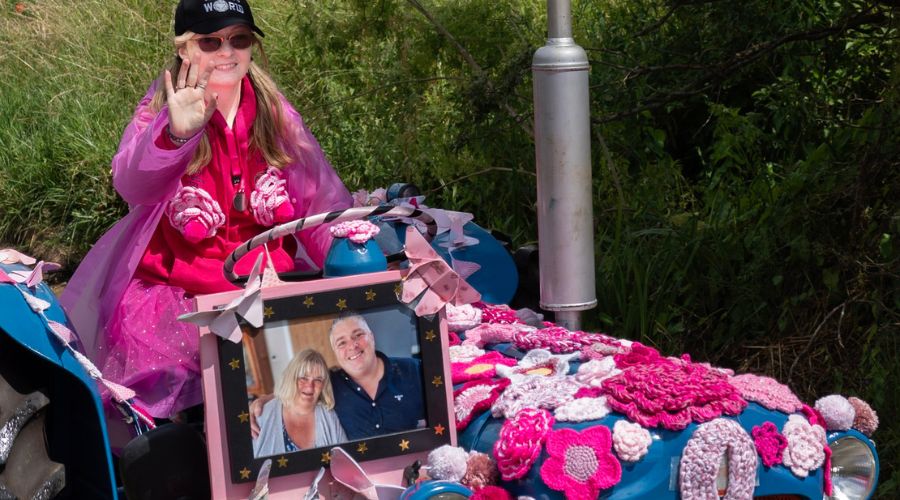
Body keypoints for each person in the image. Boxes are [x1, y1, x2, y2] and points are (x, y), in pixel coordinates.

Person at [60, 0, 351, 446]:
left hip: (265, 286)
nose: (226, 52)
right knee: (195, 412)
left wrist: (349, 250)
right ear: (184, 48)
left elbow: (319, 199)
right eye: (210, 41)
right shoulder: (162, 106)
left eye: (239, 39)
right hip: (183, 297)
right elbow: (131, 185)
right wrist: (177, 133)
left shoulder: (275, 112)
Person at [251, 313, 425, 440]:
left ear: (371, 336)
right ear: (335, 351)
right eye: (342, 342)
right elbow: (298, 390)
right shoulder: (329, 384)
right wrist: (264, 400)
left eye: (358, 335)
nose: (352, 346)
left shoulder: (413, 370)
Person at [253, 349, 347, 456]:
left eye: (318, 380)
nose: (310, 386)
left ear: (323, 385)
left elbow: (344, 460)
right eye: (303, 378)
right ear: (291, 378)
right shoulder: (261, 416)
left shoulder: (329, 416)